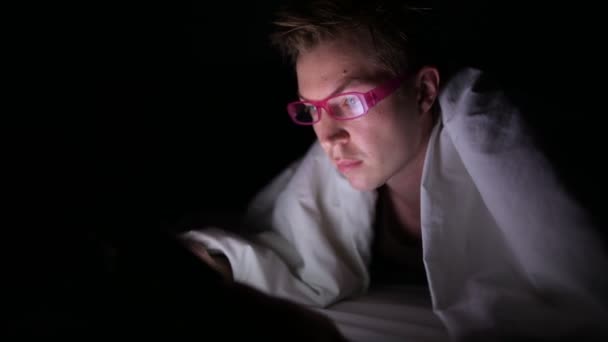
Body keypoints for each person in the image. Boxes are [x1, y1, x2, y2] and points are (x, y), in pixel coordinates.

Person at [179, 0, 608, 340]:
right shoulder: (342, 169)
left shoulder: (497, 150)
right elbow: (282, 249)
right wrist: (211, 264)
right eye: (312, 109)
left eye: (349, 102)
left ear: (423, 91)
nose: (329, 136)